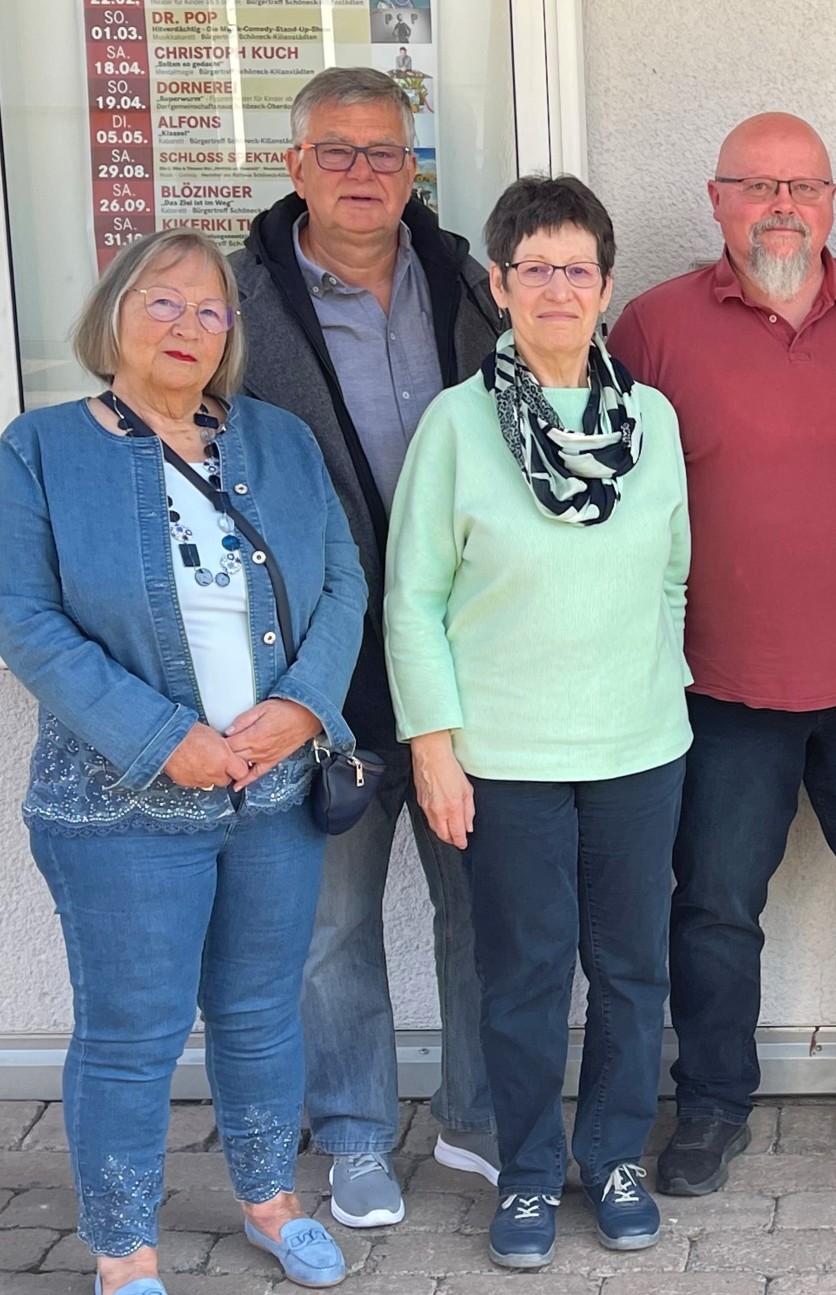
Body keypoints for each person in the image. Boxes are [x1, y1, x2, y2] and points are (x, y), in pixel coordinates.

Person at [0, 229, 367, 1295]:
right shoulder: (40, 449)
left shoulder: (280, 442)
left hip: (270, 789)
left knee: (260, 1007)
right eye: (164, 304)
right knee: (132, 1031)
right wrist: (165, 739)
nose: (188, 329)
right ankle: (123, 1253)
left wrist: (304, 707)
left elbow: (345, 583)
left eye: (211, 313)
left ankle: (268, 1199)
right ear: (114, 315)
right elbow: (26, 620)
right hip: (118, 803)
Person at [606, 112, 836, 1196]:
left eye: (803, 186)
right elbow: (609, 497)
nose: (782, 207)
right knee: (712, 903)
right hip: (718, 685)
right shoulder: (654, 329)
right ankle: (711, 1101)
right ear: (717, 200)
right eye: (758, 186)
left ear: (832, 203)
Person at [385, 175, 691, 1269]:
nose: (556, 288)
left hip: (637, 749)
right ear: (500, 287)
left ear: (607, 288)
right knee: (520, 973)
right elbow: (413, 598)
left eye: (577, 269)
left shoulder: (649, 420)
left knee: (630, 966)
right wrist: (435, 744)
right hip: (503, 758)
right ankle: (524, 1169)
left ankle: (611, 1156)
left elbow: (671, 579)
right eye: (534, 269)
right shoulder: (458, 426)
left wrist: (655, 688)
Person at [233, 66, 504, 1229]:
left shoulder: (465, 285)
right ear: (294, 167)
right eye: (337, 153)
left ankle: (483, 1119)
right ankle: (350, 1131)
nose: (362, 174)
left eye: (384, 153)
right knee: (330, 918)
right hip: (317, 667)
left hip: (463, 656)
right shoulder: (236, 305)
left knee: (484, 899)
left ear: (413, 168)